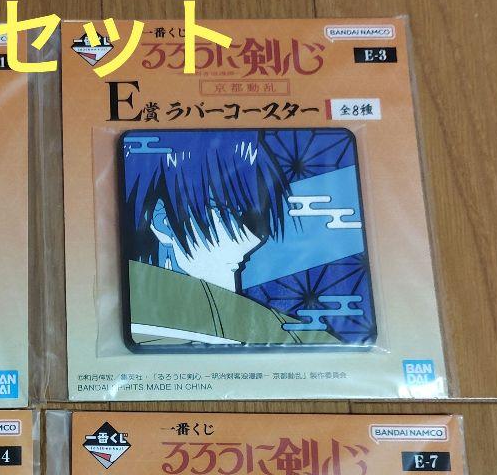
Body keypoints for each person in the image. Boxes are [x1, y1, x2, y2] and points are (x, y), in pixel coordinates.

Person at [123, 134, 339, 346]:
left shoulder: (276, 330)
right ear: (162, 222)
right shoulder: (144, 324)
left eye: (256, 216)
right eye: (227, 212)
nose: (255, 239)